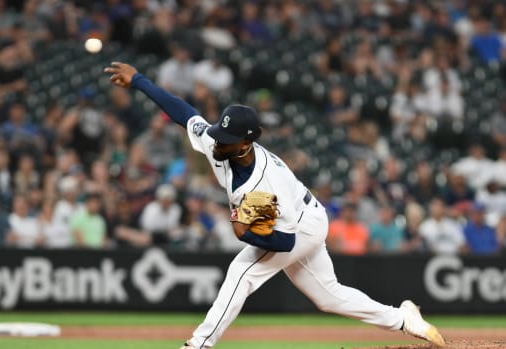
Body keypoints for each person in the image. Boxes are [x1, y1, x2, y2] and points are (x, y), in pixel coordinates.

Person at [104, 62, 446, 348]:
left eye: (228, 140)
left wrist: (245, 234)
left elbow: (284, 243)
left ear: (246, 143)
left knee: (241, 273)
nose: (217, 142)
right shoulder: (217, 141)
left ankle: (198, 345)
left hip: (298, 225)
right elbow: (183, 112)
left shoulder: (264, 183)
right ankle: (403, 318)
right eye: (219, 136)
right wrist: (139, 81)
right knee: (328, 296)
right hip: (303, 216)